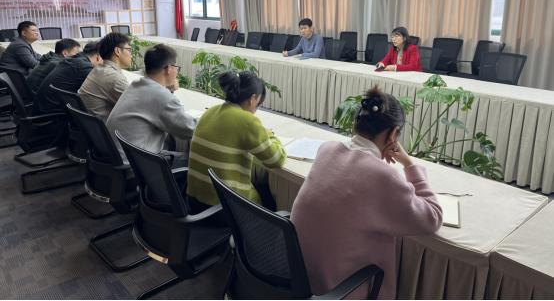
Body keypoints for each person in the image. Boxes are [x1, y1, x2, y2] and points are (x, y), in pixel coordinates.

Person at [291, 85, 443, 300]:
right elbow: (432, 217)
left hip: (299, 278)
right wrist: (409, 164)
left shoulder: (326, 149)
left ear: (355, 124)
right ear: (393, 135)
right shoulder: (382, 175)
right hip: (337, 291)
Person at [187, 70, 287, 214]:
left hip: (195, 202)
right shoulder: (248, 121)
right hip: (224, 210)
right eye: (259, 103)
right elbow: (278, 159)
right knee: (271, 198)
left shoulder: (210, 111)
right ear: (252, 99)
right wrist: (269, 134)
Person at [107, 44, 197, 168]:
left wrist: (167, 91)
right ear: (168, 69)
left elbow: (156, 104)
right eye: (176, 67)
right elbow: (190, 128)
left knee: (171, 144)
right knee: (197, 161)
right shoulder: (160, 96)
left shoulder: (136, 85)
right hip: (137, 165)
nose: (176, 72)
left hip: (119, 156)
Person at [32, 41, 102, 116]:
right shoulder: (85, 67)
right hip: (53, 117)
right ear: (99, 57)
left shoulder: (70, 60)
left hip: (42, 110)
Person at [78, 33, 132, 122]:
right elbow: (137, 108)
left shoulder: (98, 70)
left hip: (91, 127)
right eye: (129, 50)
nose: (131, 55)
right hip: (108, 128)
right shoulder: (115, 79)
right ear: (117, 51)